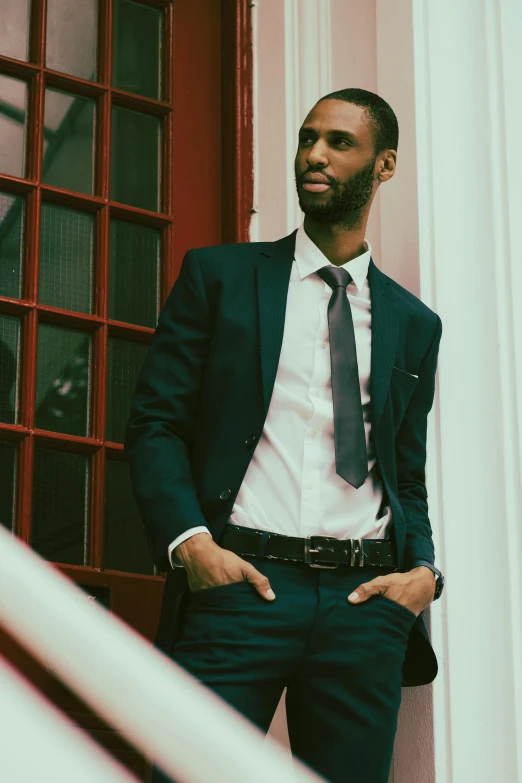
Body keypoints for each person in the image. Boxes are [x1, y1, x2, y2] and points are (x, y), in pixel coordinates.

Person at [125, 87, 444, 783]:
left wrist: (423, 572)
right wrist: (193, 544)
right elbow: (156, 422)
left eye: (338, 142)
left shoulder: (414, 324)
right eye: (307, 138)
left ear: (383, 165)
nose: (314, 155)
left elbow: (405, 472)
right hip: (241, 588)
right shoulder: (221, 278)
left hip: (365, 608)